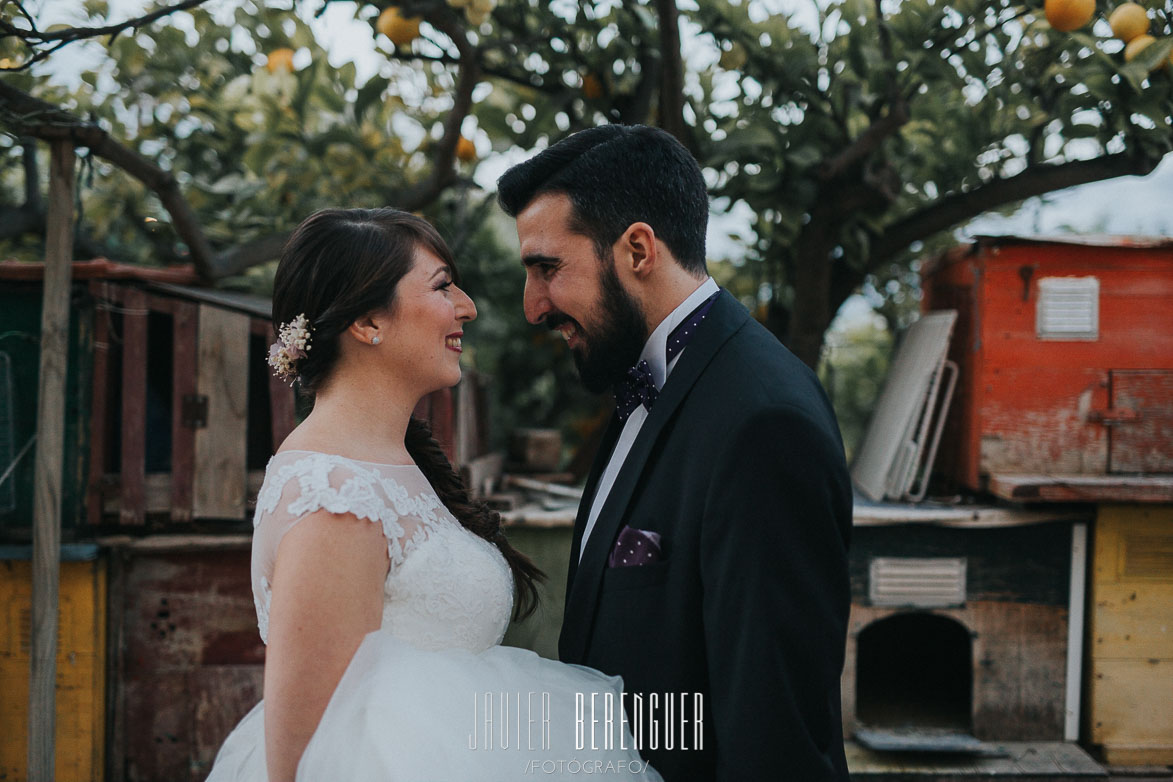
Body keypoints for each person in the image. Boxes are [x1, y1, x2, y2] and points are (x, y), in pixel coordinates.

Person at [206, 208, 662, 782]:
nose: (467, 307)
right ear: (370, 321)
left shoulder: (389, 460)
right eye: (444, 286)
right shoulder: (334, 498)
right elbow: (305, 761)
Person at [497, 125, 853, 781]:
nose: (532, 307)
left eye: (547, 268)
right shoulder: (645, 378)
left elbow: (776, 736)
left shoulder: (762, 423)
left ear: (636, 249)